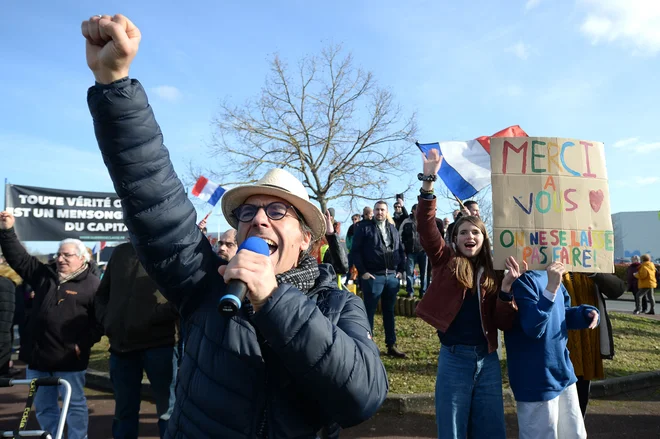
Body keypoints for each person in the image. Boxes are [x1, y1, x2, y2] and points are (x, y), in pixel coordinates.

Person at [82, 14, 387, 438]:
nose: (258, 217)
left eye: (278, 211)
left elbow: (362, 395)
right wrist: (115, 84)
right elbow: (157, 202)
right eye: (248, 212)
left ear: (305, 240)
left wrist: (273, 300)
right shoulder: (206, 285)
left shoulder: (338, 307)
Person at [414, 149, 518, 439]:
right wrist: (428, 182)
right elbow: (425, 226)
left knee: (491, 430)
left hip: (488, 360)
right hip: (454, 359)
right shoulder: (444, 259)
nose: (469, 237)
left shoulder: (495, 270)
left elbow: (504, 322)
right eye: (463, 233)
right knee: (453, 431)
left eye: (475, 233)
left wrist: (507, 290)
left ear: (484, 239)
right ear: (454, 238)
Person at [0, 213, 101, 439]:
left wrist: (81, 345)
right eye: (59, 254)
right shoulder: (44, 276)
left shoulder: (93, 285)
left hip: (69, 360)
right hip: (38, 359)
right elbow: (19, 258)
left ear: (82, 258)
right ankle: (54, 436)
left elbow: (101, 321)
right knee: (44, 407)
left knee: (74, 405)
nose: (61, 259)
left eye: (67, 255)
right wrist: (7, 231)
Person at [505, 262, 599, 439]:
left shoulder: (550, 275)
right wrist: (551, 287)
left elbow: (562, 313)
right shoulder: (521, 281)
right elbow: (533, 327)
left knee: (575, 434)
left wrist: (584, 314)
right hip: (535, 379)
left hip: (563, 373)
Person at [95, 242, 179, 438]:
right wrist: (108, 320)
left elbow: (180, 297)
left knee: (168, 411)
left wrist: (153, 317)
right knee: (124, 412)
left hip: (160, 345)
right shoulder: (121, 251)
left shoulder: (171, 251)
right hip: (121, 348)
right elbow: (102, 294)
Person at [563, 272, 625, 417]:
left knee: (578, 408)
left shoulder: (590, 262)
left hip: (586, 349)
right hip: (556, 345)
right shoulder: (542, 263)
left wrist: (594, 272)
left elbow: (617, 289)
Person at [351, 200, 407, 358]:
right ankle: (366, 346)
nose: (379, 212)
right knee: (368, 311)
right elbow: (355, 251)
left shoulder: (392, 229)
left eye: (382, 210)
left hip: (392, 276)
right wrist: (363, 272)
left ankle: (391, 345)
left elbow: (401, 250)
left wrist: (401, 270)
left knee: (389, 312)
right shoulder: (364, 227)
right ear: (373, 211)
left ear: (386, 211)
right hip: (373, 276)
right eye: (377, 209)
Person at [399, 204, 427, 298]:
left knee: (424, 273)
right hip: (410, 251)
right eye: (417, 209)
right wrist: (403, 247)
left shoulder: (425, 221)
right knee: (409, 273)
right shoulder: (406, 222)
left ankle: (423, 293)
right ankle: (410, 292)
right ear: (413, 210)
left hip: (423, 251)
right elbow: (400, 236)